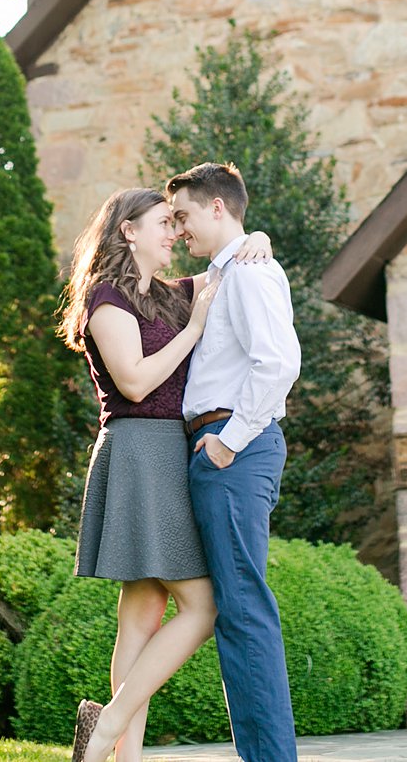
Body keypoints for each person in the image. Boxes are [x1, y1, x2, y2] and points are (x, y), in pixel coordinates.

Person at [59, 187, 272, 762]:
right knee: (201, 607)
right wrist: (195, 328)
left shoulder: (167, 294)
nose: (174, 232)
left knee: (142, 614)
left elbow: (228, 262)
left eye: (177, 223)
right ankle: (109, 729)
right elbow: (133, 381)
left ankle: (118, 753)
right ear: (128, 230)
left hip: (163, 452)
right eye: (162, 222)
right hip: (138, 450)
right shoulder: (107, 299)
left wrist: (257, 238)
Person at [166, 162, 301, 762]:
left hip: (232, 447)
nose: (178, 228)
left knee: (243, 609)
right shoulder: (228, 271)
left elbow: (279, 364)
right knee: (235, 609)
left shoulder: (250, 271)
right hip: (217, 445)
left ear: (217, 208)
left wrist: (229, 440)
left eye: (184, 216)